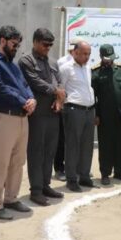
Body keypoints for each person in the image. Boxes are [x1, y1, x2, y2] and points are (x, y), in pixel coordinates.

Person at [0, 26, 36, 220]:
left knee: (17, 162)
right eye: (14, 44)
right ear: (2, 40)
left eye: (18, 44)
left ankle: (11, 198)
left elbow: (25, 86)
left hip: (22, 118)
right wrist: (23, 101)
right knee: (1, 162)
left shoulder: (13, 65)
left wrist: (32, 99)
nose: (16, 47)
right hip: (4, 117)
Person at [19, 28, 65, 206]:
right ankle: (36, 190)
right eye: (45, 44)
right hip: (37, 115)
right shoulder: (26, 61)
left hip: (54, 112)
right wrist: (57, 92)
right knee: (36, 152)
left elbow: (59, 80)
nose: (48, 48)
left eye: (50, 45)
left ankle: (46, 185)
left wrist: (60, 100)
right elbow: (34, 82)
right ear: (35, 42)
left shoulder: (53, 62)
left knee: (50, 151)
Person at [59, 40, 96, 191]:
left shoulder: (87, 68)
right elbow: (60, 88)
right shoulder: (66, 68)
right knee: (73, 145)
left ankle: (84, 176)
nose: (86, 57)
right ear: (75, 52)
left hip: (89, 110)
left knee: (87, 145)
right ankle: (72, 179)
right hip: (74, 110)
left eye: (88, 54)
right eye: (84, 53)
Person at [92, 44, 121, 185]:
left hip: (120, 113)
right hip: (104, 115)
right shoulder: (95, 72)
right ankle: (105, 173)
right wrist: (96, 114)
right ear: (101, 57)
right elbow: (93, 97)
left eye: (111, 58)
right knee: (105, 145)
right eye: (107, 58)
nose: (109, 61)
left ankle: (120, 172)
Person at [53, 36, 84, 182]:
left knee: (75, 140)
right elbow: (59, 85)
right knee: (61, 139)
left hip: (77, 108)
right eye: (72, 49)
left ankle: (74, 168)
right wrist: (60, 103)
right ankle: (59, 169)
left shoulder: (84, 64)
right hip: (65, 106)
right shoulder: (62, 63)